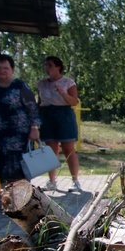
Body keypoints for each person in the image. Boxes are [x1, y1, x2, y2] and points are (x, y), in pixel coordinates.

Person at [0, 54, 41, 185]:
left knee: (16, 171)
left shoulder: (20, 86)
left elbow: (32, 108)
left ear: (12, 70)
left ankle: (20, 197)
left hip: (17, 137)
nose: (2, 70)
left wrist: (34, 128)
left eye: (5, 68)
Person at [37, 56, 81, 192]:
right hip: (47, 115)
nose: (47, 68)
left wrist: (62, 93)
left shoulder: (68, 82)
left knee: (68, 149)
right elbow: (40, 102)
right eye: (46, 65)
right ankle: (51, 181)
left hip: (64, 115)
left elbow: (74, 102)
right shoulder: (41, 83)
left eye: (50, 65)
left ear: (58, 67)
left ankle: (75, 181)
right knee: (51, 151)